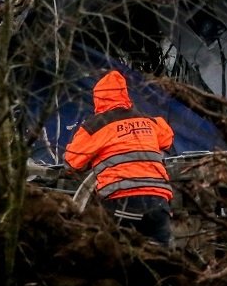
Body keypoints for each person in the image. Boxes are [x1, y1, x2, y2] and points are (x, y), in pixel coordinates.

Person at [65, 69, 175, 247]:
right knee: (161, 262)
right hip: (159, 201)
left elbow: (72, 162)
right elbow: (167, 138)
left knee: (116, 257)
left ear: (98, 99)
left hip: (123, 201)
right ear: (125, 94)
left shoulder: (96, 126)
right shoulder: (149, 121)